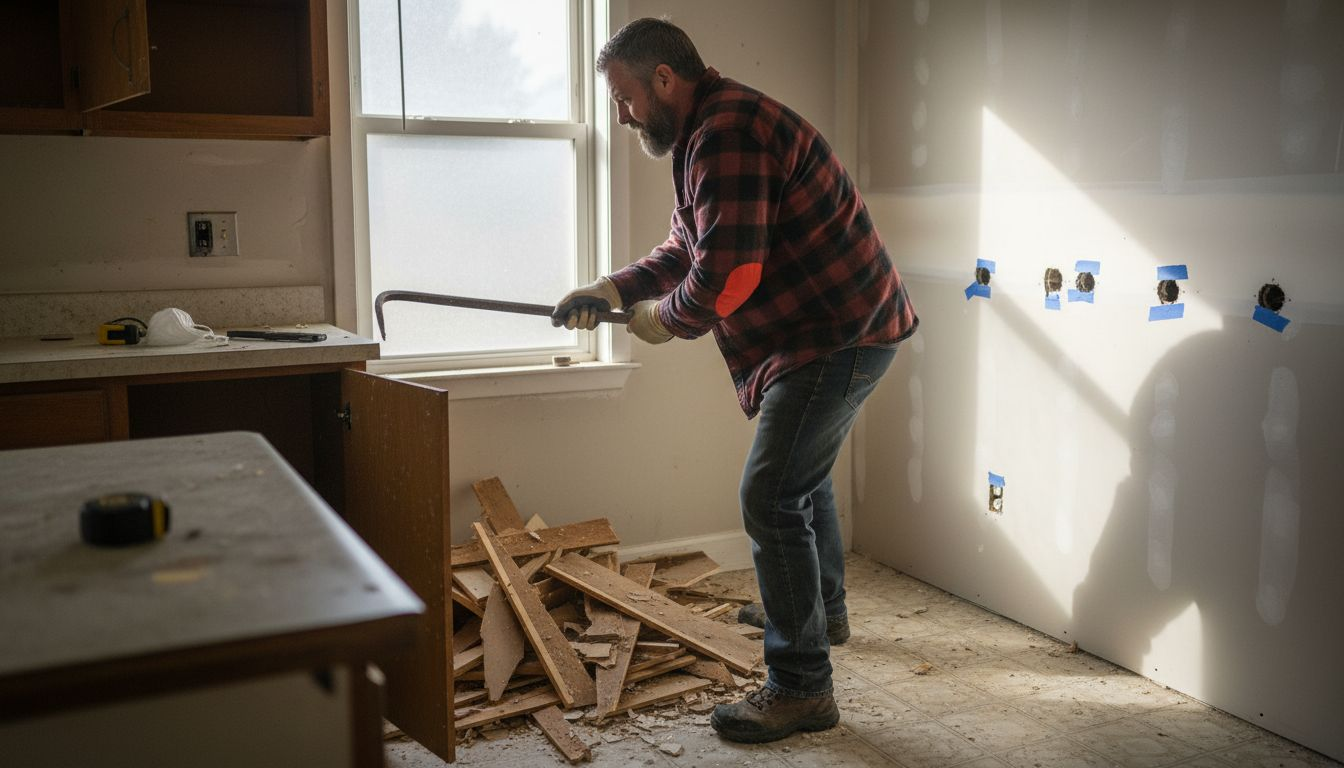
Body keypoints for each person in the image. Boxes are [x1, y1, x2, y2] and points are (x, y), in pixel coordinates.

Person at [553, 17, 918, 743]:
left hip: (837, 335)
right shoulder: (702, 134)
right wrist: (613, 288)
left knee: (770, 494)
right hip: (822, 331)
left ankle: (802, 687)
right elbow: (688, 246)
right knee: (801, 481)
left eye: (624, 97)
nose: (621, 116)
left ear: (663, 79)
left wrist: (663, 320)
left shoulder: (728, 134)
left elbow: (727, 277)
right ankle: (822, 614)